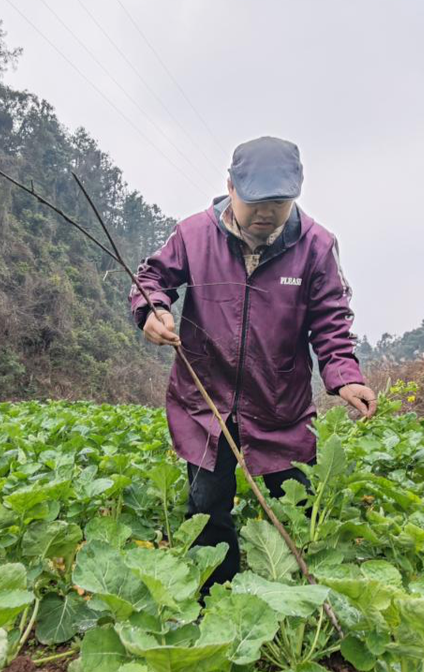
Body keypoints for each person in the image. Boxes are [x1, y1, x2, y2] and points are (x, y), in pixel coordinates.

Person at [128, 135, 377, 588]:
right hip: (205, 400)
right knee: (207, 507)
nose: (266, 213)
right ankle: (215, 597)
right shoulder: (193, 234)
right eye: (256, 202)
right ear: (231, 187)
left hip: (279, 402)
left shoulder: (317, 246)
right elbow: (152, 277)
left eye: (278, 203)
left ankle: (286, 598)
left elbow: (331, 320)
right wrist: (152, 310)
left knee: (290, 507)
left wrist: (344, 376)